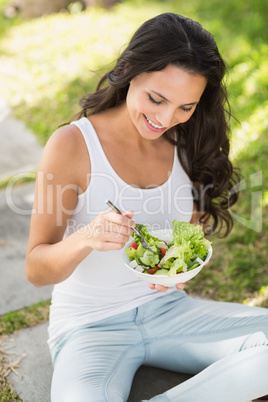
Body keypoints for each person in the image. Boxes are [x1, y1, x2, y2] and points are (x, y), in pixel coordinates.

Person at [26, 12, 268, 402]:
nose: (165, 119)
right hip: (90, 328)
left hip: (169, 310)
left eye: (185, 107)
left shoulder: (188, 143)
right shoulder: (72, 145)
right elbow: (36, 268)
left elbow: (191, 230)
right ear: (127, 70)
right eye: (156, 99)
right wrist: (87, 237)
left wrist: (180, 266)